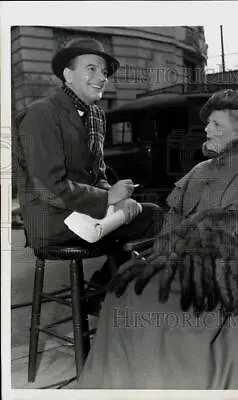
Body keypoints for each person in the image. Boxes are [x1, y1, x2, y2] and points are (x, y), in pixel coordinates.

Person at [76, 89, 238, 389]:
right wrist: (170, 245)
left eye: (217, 125)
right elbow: (175, 220)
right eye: (208, 124)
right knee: (127, 289)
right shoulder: (199, 170)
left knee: (181, 311)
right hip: (187, 259)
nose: (207, 130)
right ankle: (136, 382)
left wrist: (219, 231)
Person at [16, 38, 164, 310]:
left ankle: (101, 294)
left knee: (152, 216)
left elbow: (97, 171)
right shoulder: (41, 113)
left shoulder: (96, 114)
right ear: (68, 74)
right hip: (52, 219)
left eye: (104, 72)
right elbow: (48, 187)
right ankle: (102, 296)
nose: (101, 78)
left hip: (83, 212)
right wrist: (108, 199)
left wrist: (116, 198)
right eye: (92, 69)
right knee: (152, 218)